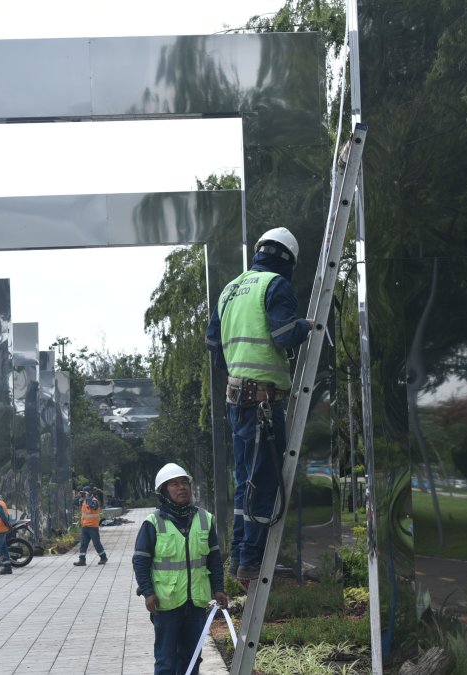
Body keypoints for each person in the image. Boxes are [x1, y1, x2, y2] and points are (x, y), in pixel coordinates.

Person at [206, 227, 313, 587]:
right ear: (288, 260)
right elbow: (283, 334)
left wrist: (241, 368)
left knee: (244, 482)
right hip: (263, 402)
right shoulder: (275, 286)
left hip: (237, 399)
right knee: (264, 482)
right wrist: (307, 326)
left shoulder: (230, 289)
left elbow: (214, 346)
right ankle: (251, 559)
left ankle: (240, 556)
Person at [133, 463, 227, 675]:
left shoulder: (205, 519)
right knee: (166, 660)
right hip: (166, 603)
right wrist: (147, 592)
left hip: (196, 603)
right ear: (164, 491)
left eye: (184, 483)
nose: (181, 487)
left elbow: (214, 558)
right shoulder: (153, 523)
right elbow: (140, 562)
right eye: (174, 484)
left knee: (193, 657)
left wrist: (218, 588)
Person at [73, 485, 108, 566]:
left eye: (84, 493)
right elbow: (75, 503)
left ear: (89, 493)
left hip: (93, 526)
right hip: (85, 526)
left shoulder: (94, 501)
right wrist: (78, 496)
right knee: (83, 544)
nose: (83, 495)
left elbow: (94, 507)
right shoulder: (84, 501)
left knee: (96, 543)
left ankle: (103, 557)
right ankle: (82, 560)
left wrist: (88, 497)